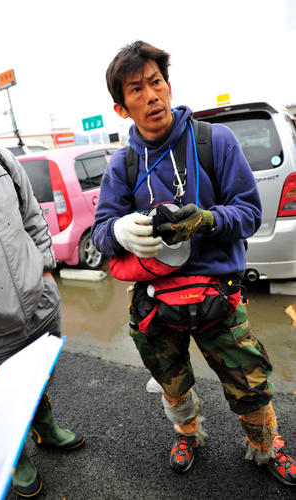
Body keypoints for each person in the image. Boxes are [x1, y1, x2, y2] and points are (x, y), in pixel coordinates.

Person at [91, 41, 296, 486]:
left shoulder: (213, 141)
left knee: (248, 381)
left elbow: (249, 213)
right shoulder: (123, 164)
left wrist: (205, 220)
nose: (151, 96)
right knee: (172, 381)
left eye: (156, 82)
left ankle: (265, 446)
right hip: (155, 301)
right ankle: (188, 432)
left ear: (168, 85)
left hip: (217, 294)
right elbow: (103, 231)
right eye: (136, 90)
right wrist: (120, 231)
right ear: (121, 107)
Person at [0, 64, 85, 498]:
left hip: (38, 309)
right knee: (0, 401)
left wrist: (47, 270)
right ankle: (16, 457)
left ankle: (45, 427)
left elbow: (33, 218)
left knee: (39, 378)